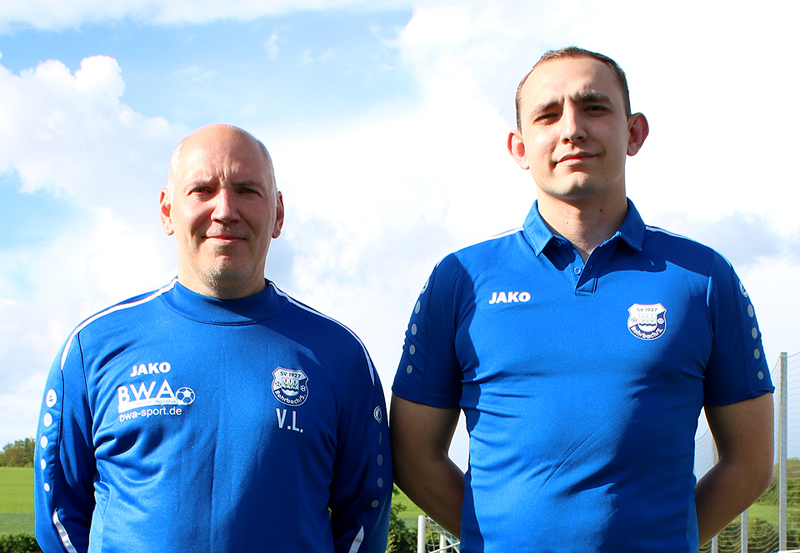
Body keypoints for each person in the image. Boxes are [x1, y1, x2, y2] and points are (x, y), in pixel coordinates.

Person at [390, 47, 774, 552]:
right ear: (519, 146)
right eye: (548, 115)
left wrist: (666, 541)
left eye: (594, 107)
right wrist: (497, 538)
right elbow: (413, 457)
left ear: (633, 132)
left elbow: (749, 463)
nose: (572, 129)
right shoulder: (460, 279)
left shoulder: (703, 278)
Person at [34, 124, 392, 553]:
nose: (225, 210)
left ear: (277, 213)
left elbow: (364, 519)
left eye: (247, 190)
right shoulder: (92, 348)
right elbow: (58, 516)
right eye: (202, 190)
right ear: (167, 211)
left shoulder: (339, 356)